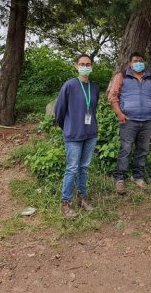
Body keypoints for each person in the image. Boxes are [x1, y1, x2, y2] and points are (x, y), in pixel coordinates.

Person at [108, 52, 151, 195]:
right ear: (130, 64)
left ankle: (138, 177)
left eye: (141, 60)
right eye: (136, 60)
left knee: (143, 150)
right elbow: (113, 95)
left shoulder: (150, 78)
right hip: (129, 120)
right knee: (126, 149)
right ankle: (119, 179)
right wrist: (119, 113)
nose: (139, 62)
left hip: (146, 121)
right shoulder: (122, 76)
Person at [55, 54, 100, 218]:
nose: (85, 66)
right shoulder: (70, 85)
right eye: (82, 64)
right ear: (76, 66)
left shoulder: (94, 87)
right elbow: (59, 111)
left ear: (92, 66)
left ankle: (82, 198)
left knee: (84, 168)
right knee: (72, 168)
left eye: (88, 64)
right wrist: (67, 127)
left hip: (90, 134)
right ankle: (66, 202)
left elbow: (93, 108)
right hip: (73, 135)